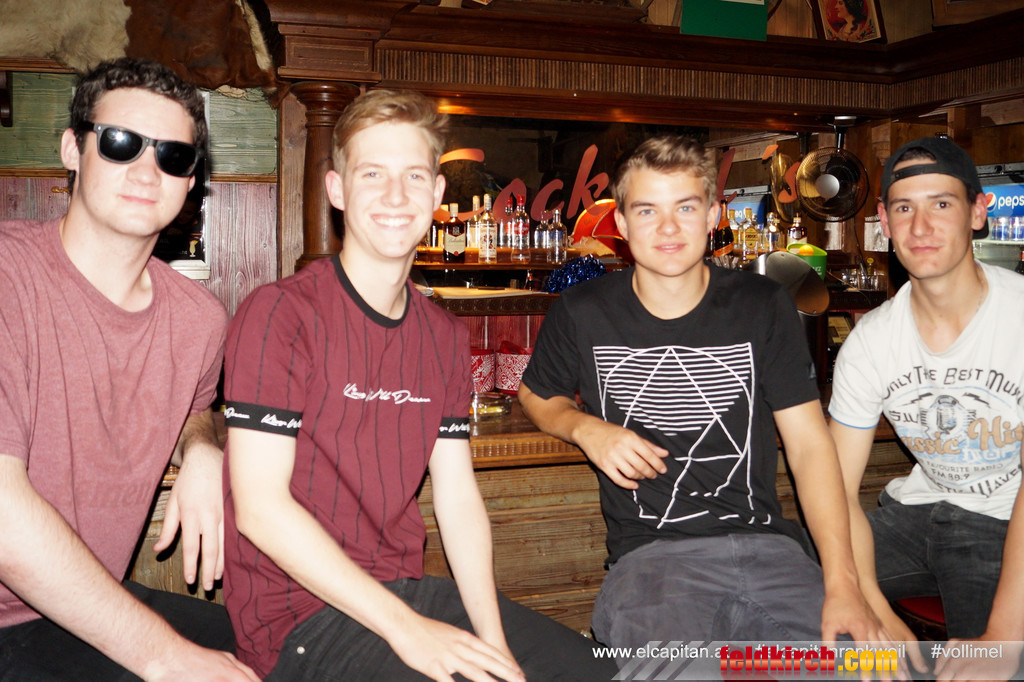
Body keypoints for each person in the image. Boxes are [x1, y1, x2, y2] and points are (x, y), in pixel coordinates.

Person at [222, 88, 617, 681]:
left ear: (436, 194)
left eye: (413, 175)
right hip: (298, 621)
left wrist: (494, 644)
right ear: (336, 189)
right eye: (372, 173)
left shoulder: (443, 335)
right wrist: (407, 631)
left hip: (407, 591)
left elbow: (457, 500)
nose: (394, 195)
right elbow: (260, 509)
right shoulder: (281, 313)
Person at [518, 134, 885, 664]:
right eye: (647, 210)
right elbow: (537, 392)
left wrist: (844, 582)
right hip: (652, 563)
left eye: (686, 208)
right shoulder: (582, 309)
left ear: (713, 215)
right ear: (620, 223)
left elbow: (809, 446)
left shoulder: (763, 304)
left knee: (855, 670)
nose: (668, 228)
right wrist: (584, 427)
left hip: (772, 553)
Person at [0, 58, 256, 680]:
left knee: (287, 651)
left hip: (86, 608)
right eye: (121, 142)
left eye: (173, 155)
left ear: (190, 181)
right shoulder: (10, 276)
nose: (147, 170)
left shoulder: (198, 319)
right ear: (73, 149)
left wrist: (201, 448)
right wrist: (166, 657)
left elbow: (194, 407)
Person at [829, 137, 1024, 673]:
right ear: (884, 223)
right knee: (784, 582)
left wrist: (1003, 638)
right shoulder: (871, 340)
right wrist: (868, 604)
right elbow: (835, 488)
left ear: (978, 212)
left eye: (941, 203)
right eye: (903, 208)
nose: (920, 227)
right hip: (913, 514)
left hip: (1005, 523)